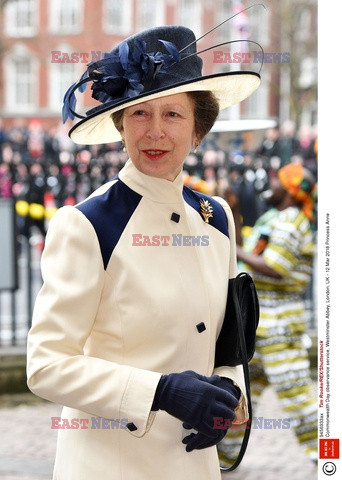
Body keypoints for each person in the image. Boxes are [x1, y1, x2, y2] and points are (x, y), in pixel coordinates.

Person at [26, 24, 261, 480]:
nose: (155, 132)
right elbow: (46, 365)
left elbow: (227, 337)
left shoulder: (217, 218)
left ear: (198, 129)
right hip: (110, 465)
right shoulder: (88, 224)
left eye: (172, 115)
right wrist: (160, 391)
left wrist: (228, 395)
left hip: (195, 465)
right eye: (139, 114)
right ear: (120, 125)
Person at [218, 162, 318, 466]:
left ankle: (329, 457)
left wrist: (233, 249)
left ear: (288, 189)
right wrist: (232, 210)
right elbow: (248, 250)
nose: (270, 183)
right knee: (242, 397)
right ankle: (224, 454)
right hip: (260, 325)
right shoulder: (276, 217)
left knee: (297, 396)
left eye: (277, 180)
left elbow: (275, 266)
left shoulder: (291, 221)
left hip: (279, 325)